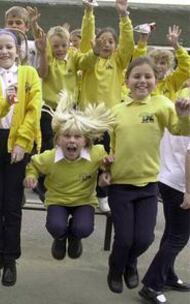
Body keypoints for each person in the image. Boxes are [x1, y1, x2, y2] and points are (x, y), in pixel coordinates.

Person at [106, 56, 190, 294]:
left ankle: (131, 263)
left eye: (148, 76)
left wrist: (183, 116)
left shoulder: (162, 104)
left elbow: (178, 130)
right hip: (121, 184)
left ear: (156, 79)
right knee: (124, 239)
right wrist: (105, 164)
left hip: (148, 185)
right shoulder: (117, 110)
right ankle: (116, 267)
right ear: (127, 80)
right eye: (137, 76)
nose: (142, 81)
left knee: (144, 239)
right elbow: (108, 145)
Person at [0, 28, 42, 287]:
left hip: (18, 142)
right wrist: (4, 101)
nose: (4, 51)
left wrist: (22, 142)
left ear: (18, 50)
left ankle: (10, 258)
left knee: (13, 205)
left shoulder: (29, 73)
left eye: (9, 47)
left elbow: (33, 108)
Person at [24, 92, 115, 260]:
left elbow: (107, 166)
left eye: (77, 137)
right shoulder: (50, 157)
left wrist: (107, 168)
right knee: (56, 226)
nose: (71, 141)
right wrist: (31, 176)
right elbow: (33, 164)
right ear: (58, 140)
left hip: (84, 201)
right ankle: (60, 238)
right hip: (57, 200)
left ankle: (74, 237)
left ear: (86, 142)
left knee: (83, 228)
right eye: (66, 136)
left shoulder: (97, 153)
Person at [139, 130, 190, 304]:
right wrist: (189, 192)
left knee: (172, 232)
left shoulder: (178, 109)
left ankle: (168, 275)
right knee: (179, 237)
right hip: (181, 184)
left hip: (167, 177)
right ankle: (152, 285)